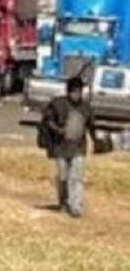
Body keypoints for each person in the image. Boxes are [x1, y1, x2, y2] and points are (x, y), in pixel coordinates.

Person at [41, 77, 98, 218]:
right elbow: (47, 120)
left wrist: (96, 140)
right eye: (74, 91)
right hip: (61, 147)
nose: (77, 95)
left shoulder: (86, 108)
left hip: (79, 147)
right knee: (63, 176)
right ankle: (63, 200)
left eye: (79, 91)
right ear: (69, 92)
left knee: (76, 177)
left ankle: (75, 205)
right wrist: (57, 130)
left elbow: (91, 125)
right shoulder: (58, 104)